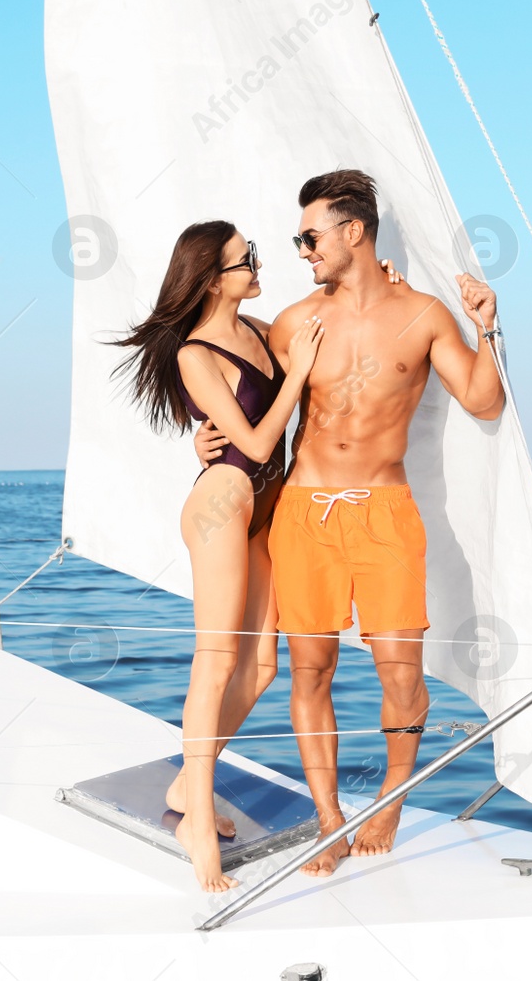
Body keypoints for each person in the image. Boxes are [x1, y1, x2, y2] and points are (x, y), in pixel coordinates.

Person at [196, 170, 503, 876]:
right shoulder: (294, 322)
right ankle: (330, 815)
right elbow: (243, 399)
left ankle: (393, 792)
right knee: (312, 668)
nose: (302, 249)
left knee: (402, 674)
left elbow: (483, 400)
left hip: (387, 515)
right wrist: (202, 435)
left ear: (353, 231)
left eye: (310, 236)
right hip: (304, 514)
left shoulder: (424, 315)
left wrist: (488, 326)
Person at [115, 221, 324, 892]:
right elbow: (258, 443)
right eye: (245, 260)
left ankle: (185, 780)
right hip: (222, 503)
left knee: (261, 664)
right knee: (218, 658)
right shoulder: (194, 356)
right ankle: (196, 819)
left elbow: (330, 319)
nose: (258, 265)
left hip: (262, 509)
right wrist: (299, 376)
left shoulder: (260, 329)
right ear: (211, 278)